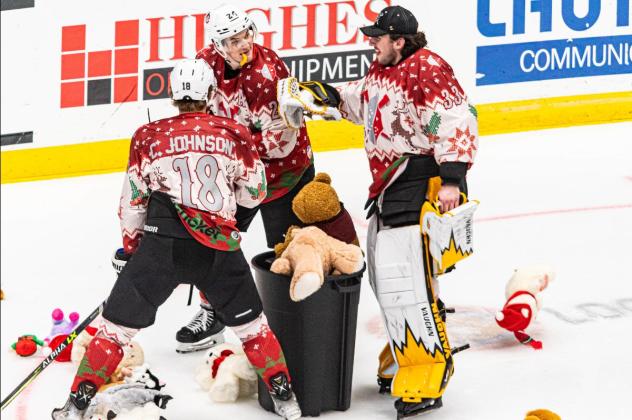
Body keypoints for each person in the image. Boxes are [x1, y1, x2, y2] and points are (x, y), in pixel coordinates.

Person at [52, 58, 302, 420]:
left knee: (115, 331)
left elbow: (131, 204)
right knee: (252, 330)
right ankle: (285, 399)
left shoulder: (147, 136)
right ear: (211, 93)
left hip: (161, 248)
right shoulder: (235, 133)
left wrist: (132, 248)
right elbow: (254, 192)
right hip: (218, 249)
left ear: (172, 96)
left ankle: (75, 405)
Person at [279, 5, 478, 418]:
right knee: (393, 280)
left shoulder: (428, 68)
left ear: (399, 41)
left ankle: (426, 367)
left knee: (402, 276)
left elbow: (458, 120)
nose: (371, 41)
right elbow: (357, 101)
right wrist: (318, 95)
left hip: (423, 180)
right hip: (390, 187)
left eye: (378, 37)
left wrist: (453, 180)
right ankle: (405, 349)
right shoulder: (382, 71)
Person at [174, 4, 319, 354]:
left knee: (287, 252)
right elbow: (198, 115)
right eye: (233, 39)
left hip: (285, 175)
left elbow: (280, 142)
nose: (244, 44)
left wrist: (226, 147)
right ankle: (213, 312)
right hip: (236, 176)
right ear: (217, 42)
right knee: (214, 240)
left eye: (246, 35)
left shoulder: (268, 73)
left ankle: (295, 321)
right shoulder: (205, 64)